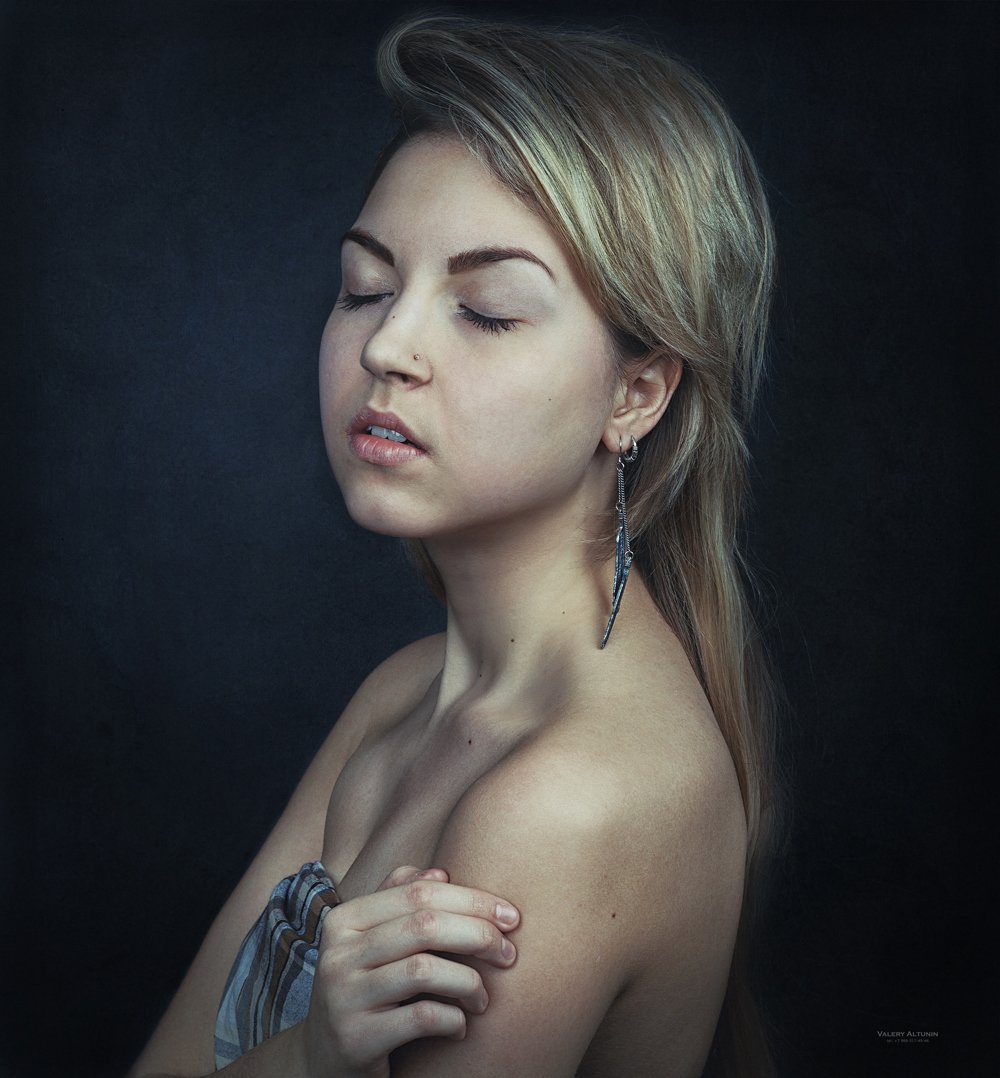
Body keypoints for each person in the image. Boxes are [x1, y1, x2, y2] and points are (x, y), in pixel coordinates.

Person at [130, 13, 778, 1078]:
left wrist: (310, 1062)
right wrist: (309, 1054)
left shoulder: (563, 800)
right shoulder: (403, 693)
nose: (387, 344)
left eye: (484, 310)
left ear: (636, 393)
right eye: (366, 287)